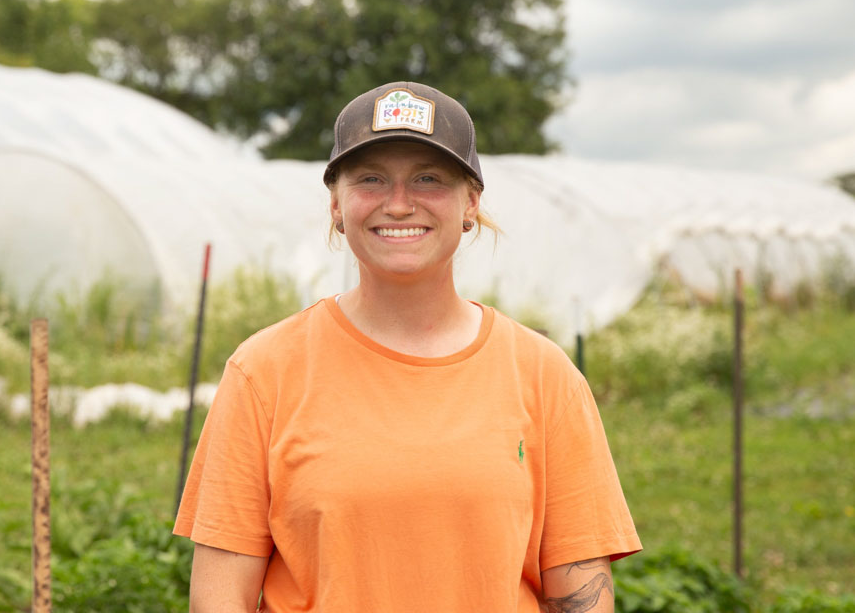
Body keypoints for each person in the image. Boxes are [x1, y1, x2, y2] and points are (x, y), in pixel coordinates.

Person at [174, 81, 641, 612]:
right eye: (371, 179)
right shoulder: (263, 372)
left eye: (428, 179)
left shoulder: (543, 375)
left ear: (471, 203)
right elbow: (219, 600)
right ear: (336, 204)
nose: (398, 204)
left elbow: (580, 595)